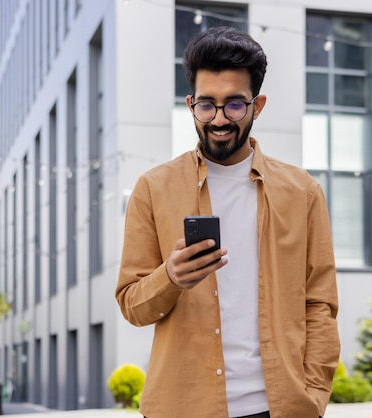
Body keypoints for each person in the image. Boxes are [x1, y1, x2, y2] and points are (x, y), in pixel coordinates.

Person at [116, 26, 340, 418]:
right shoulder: (153, 188)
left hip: (278, 406)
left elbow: (319, 304)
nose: (219, 119)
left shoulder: (302, 192)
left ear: (258, 105)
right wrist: (170, 277)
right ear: (190, 104)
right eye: (207, 105)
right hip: (183, 406)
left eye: (234, 104)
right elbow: (132, 306)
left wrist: (314, 395)